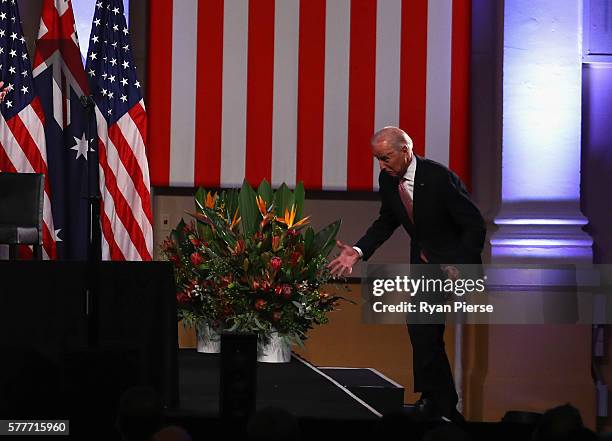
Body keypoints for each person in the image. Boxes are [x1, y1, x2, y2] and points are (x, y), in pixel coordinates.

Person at [328, 126, 485, 423]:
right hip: (425, 264)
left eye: (385, 158)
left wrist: (460, 265)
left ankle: (437, 400)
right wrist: (358, 251)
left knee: (423, 327)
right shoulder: (388, 180)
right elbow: (387, 221)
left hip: (453, 264)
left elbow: (474, 224)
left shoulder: (438, 178)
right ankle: (441, 402)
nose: (381, 165)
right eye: (377, 159)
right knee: (422, 328)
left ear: (405, 150)